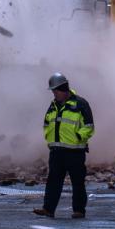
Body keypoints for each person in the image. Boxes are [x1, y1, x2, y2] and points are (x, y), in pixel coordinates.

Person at [34, 73, 95, 219]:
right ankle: (48, 209)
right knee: (53, 181)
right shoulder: (53, 105)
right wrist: (49, 140)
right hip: (56, 151)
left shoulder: (80, 104)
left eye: (56, 91)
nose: (54, 95)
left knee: (77, 183)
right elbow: (47, 123)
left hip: (75, 151)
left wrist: (79, 137)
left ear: (64, 89)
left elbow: (89, 126)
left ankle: (79, 210)